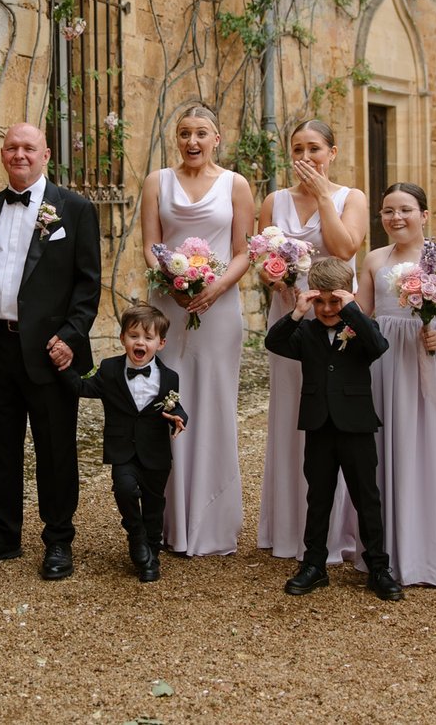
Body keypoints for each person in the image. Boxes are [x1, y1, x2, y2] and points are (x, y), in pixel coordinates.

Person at [0, 123, 101, 580]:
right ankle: (4, 533)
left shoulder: (76, 209)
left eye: (29, 147)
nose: (19, 154)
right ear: (2, 155)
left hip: (51, 350)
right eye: (11, 147)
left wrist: (71, 337)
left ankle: (59, 540)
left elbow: (88, 287)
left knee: (56, 448)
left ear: (47, 154)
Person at [139, 104, 254, 556]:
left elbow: (243, 251)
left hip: (219, 308)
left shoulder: (235, 184)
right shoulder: (157, 181)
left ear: (216, 138)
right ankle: (167, 520)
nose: (192, 141)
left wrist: (216, 288)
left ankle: (211, 520)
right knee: (167, 400)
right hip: (169, 305)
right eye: (185, 133)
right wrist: (171, 281)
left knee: (214, 400)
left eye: (201, 133)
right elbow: (151, 244)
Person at [357, 182, 436, 586]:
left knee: (429, 443)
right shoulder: (375, 258)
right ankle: (388, 547)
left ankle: (433, 551)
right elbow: (363, 311)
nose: (396, 218)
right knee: (385, 445)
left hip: (429, 352)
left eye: (406, 210)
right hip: (384, 358)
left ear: (424, 215)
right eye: (388, 211)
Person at [256, 119, 369, 567]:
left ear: (332, 153)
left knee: (334, 415)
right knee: (291, 414)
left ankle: (335, 530)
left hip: (336, 319)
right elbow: (263, 261)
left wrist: (324, 197)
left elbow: (344, 250)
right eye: (298, 149)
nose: (306, 157)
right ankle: (289, 528)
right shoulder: (273, 201)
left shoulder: (350, 198)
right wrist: (271, 276)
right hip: (290, 316)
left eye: (315, 148)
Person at [263, 257, 402, 602]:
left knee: (366, 497)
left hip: (355, 424)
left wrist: (352, 308)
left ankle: (378, 567)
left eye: (334, 301)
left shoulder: (359, 329)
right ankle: (314, 564)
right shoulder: (306, 332)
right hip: (318, 425)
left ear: (347, 298)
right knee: (319, 496)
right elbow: (273, 342)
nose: (326, 309)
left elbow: (379, 346)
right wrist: (297, 312)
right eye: (320, 301)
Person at [55, 303, 188, 583]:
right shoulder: (110, 369)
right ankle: (136, 535)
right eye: (134, 336)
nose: (141, 342)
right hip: (122, 449)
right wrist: (63, 367)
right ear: (122, 339)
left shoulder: (170, 377)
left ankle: (151, 554)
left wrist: (178, 417)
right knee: (124, 489)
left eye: (148, 338)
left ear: (160, 343)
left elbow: (175, 406)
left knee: (154, 504)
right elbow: (83, 387)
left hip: (156, 453)